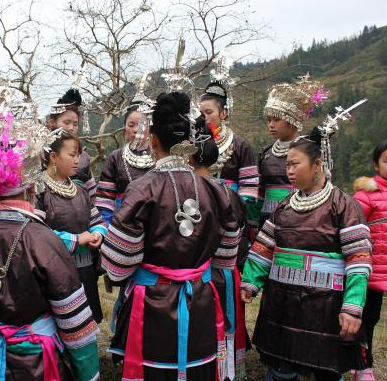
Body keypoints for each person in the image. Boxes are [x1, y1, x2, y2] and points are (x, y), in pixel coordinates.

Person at [0, 102, 100, 380]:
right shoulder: (43, 240)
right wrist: (88, 374)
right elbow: (76, 326)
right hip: (36, 364)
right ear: (31, 188)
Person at [101, 91, 241, 380]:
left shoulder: (142, 189)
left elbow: (116, 264)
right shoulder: (218, 191)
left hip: (150, 307)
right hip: (200, 302)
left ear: (152, 140)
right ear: (190, 143)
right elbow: (226, 259)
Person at [241, 126, 372, 381]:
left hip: (325, 306)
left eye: (294, 164)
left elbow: (358, 260)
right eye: (286, 165)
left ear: (317, 165)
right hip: (283, 302)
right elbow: (263, 249)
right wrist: (251, 282)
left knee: (326, 370)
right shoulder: (283, 207)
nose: (288, 171)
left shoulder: (343, 206)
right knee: (281, 369)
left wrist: (352, 306)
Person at [191, 126, 248, 381]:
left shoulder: (190, 193)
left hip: (202, 277)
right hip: (226, 273)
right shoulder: (231, 194)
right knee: (222, 330)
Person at [36, 131, 107, 323]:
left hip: (85, 269)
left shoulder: (80, 190)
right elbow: (35, 235)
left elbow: (97, 220)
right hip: (55, 273)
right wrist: (76, 240)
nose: (78, 160)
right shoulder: (39, 191)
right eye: (72, 154)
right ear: (53, 157)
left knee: (87, 322)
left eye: (79, 155)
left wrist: (98, 234)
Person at [257, 75, 326, 226]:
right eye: (269, 120)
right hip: (266, 218)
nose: (271, 125)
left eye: (276, 119)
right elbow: (260, 190)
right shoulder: (266, 153)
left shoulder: (308, 149)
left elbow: (320, 184)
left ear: (292, 121)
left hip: (299, 215)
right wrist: (254, 221)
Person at [198, 76, 259, 228]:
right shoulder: (193, 144)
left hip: (231, 217)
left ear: (223, 113)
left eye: (209, 112)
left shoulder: (239, 145)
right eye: (200, 113)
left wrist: (232, 211)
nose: (203, 117)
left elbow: (250, 188)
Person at [352, 139, 387, 381]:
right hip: (370, 271)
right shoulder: (367, 195)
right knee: (366, 318)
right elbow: (352, 229)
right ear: (376, 164)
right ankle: (364, 365)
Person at [96, 101, 155, 225]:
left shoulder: (160, 154)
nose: (135, 130)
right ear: (125, 127)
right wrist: (106, 228)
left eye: (141, 125)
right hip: (124, 221)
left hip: (157, 220)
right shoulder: (115, 157)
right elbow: (105, 200)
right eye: (131, 125)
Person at [48, 88, 96, 195]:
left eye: (75, 124)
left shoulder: (83, 157)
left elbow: (92, 194)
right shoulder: (40, 154)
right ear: (52, 122)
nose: (71, 128)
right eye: (66, 122)